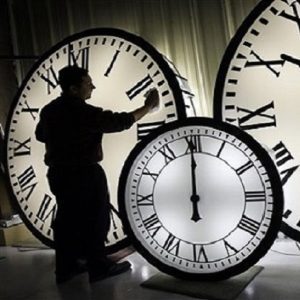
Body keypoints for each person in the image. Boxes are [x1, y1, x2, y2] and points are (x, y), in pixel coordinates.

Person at [35, 65, 159, 284]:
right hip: (85, 173)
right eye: (87, 82)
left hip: (58, 173)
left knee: (66, 220)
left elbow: (40, 135)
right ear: (74, 89)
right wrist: (147, 107)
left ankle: (66, 268)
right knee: (96, 220)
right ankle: (98, 267)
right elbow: (120, 122)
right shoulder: (84, 112)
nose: (93, 85)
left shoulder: (49, 110)